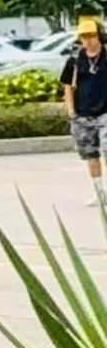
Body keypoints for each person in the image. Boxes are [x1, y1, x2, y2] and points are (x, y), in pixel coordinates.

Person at [62, 18, 107, 208]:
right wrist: (72, 110)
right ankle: (99, 191)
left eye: (91, 36)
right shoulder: (74, 60)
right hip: (83, 113)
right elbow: (67, 87)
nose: (88, 40)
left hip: (105, 111)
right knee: (91, 154)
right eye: (84, 37)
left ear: (99, 35)